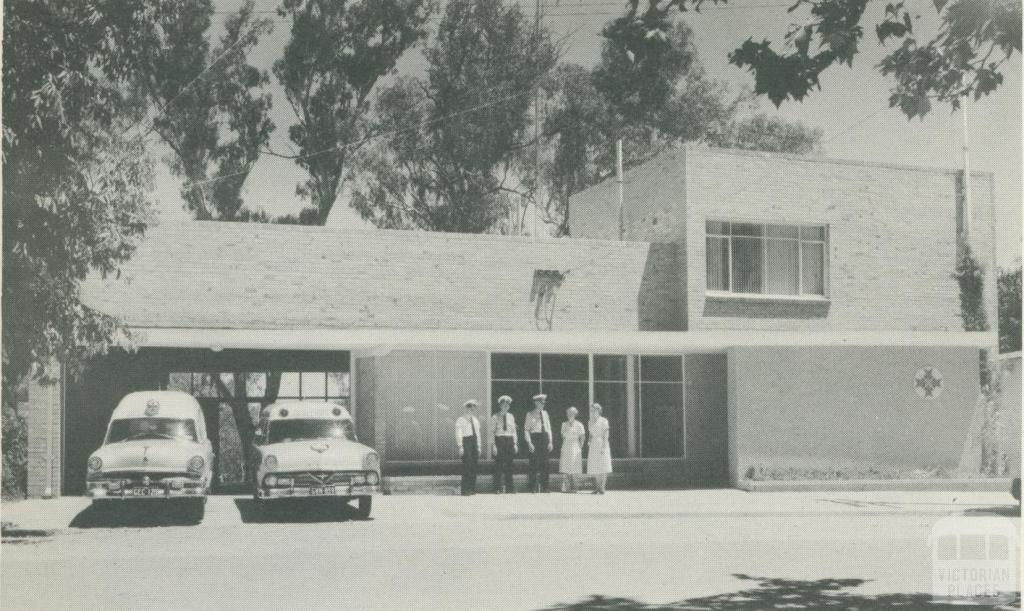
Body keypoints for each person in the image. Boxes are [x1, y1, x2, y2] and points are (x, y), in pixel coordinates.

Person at [524, 393, 553, 493]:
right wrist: (529, 442)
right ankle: (532, 487)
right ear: (536, 403)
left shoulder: (545, 413)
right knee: (534, 464)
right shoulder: (530, 414)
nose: (543, 404)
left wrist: (550, 441)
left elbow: (549, 428)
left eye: (544, 403)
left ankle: (545, 487)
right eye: (541, 402)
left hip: (544, 438)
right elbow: (526, 430)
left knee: (545, 464)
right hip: (535, 438)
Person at [491, 395, 518, 493]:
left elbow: (514, 431)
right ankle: (497, 488)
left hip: (509, 440)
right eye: (504, 404)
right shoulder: (495, 417)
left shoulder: (511, 416)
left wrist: (515, 443)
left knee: (509, 465)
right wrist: (493, 445)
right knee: (499, 465)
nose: (506, 406)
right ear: (500, 405)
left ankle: (510, 488)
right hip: (500, 440)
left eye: (508, 404)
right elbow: (492, 432)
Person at [455, 399, 482, 496]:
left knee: (474, 466)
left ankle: (472, 488)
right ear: (466, 408)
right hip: (466, 442)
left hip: (474, 443)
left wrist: (479, 446)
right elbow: (458, 433)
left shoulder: (475, 420)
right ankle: (465, 490)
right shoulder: (461, 420)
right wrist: (460, 446)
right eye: (470, 407)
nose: (472, 410)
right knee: (467, 465)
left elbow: (478, 434)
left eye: (474, 408)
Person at [587, 403, 612, 494]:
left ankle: (602, 487)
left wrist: (604, 446)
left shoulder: (604, 421)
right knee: (595, 465)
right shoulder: (590, 421)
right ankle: (597, 487)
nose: (592, 412)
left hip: (602, 443)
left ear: (598, 410)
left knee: (603, 465)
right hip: (594, 444)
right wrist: (589, 441)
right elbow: (590, 433)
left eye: (594, 410)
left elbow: (606, 434)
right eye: (591, 410)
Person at [559, 406, 585, 492]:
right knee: (566, 466)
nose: (570, 415)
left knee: (575, 466)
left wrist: (580, 447)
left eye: (572, 413)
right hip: (566, 446)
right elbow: (563, 437)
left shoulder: (579, 424)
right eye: (568, 413)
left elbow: (582, 437)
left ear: (575, 414)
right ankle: (567, 487)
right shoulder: (564, 424)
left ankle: (575, 487)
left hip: (575, 446)